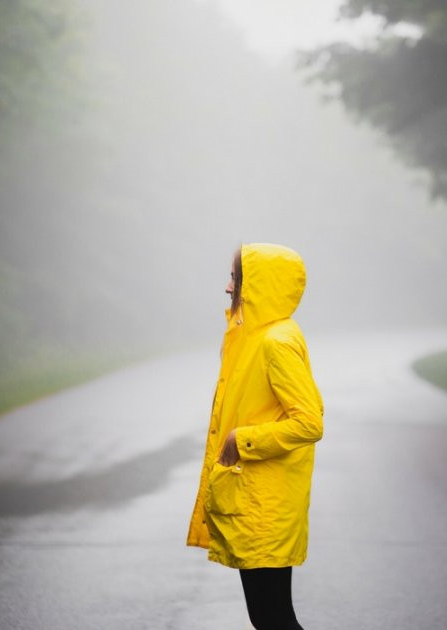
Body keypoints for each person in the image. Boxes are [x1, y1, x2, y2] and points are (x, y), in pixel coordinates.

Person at [186, 243, 324, 630]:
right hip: (257, 501)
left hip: (267, 507)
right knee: (271, 618)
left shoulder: (274, 342)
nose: (228, 288)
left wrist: (241, 441)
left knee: (273, 619)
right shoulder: (251, 336)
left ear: (258, 285)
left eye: (235, 278)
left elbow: (310, 421)